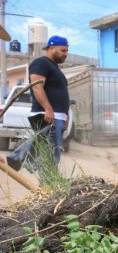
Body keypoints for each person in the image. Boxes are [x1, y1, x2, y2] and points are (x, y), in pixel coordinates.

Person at [28, 35, 70, 166]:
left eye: (66, 51)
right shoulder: (41, 63)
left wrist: (66, 114)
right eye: (63, 50)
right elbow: (37, 86)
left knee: (53, 156)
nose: (66, 54)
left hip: (57, 117)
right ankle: (46, 186)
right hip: (48, 118)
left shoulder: (55, 68)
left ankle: (48, 185)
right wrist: (48, 109)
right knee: (49, 156)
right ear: (52, 48)